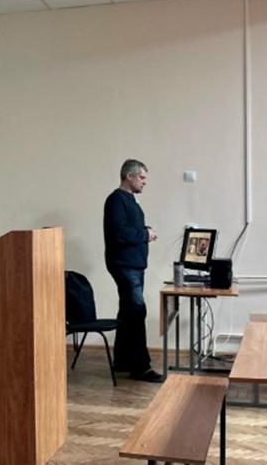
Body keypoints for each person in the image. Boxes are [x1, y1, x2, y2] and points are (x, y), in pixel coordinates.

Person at [104, 159, 160, 382]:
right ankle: (141, 367)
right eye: (142, 178)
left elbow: (128, 229)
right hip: (125, 265)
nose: (145, 182)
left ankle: (122, 361)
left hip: (133, 265)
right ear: (129, 176)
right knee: (137, 312)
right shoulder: (116, 200)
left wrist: (144, 230)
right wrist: (145, 234)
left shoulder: (129, 201)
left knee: (128, 312)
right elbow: (119, 233)